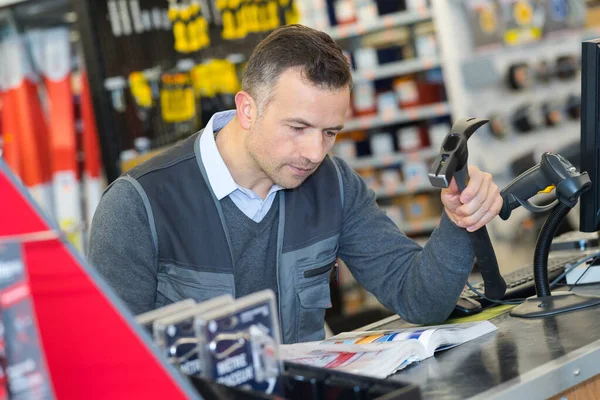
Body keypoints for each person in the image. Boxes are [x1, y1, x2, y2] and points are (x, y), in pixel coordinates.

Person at [88, 25, 503, 344]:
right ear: (247, 109)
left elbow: (419, 299)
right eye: (298, 127)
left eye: (330, 132)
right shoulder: (138, 206)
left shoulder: (334, 186)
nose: (314, 152)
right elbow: (117, 364)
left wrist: (460, 216)